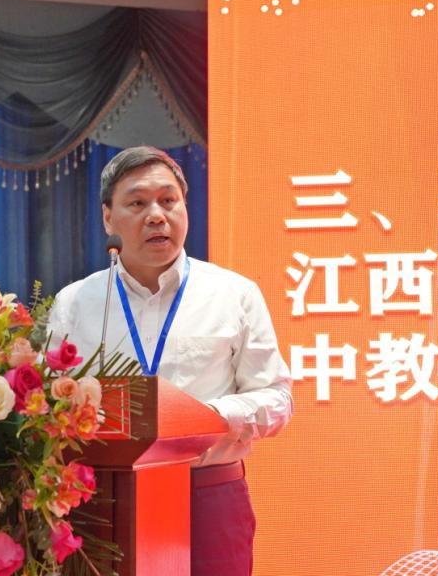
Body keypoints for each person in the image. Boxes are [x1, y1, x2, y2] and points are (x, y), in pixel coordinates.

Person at [49, 146, 293, 576]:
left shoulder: (234, 294)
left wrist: (200, 418)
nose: (157, 216)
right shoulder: (76, 303)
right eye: (137, 203)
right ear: (108, 218)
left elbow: (276, 398)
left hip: (208, 497)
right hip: (102, 501)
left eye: (168, 200)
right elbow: (50, 408)